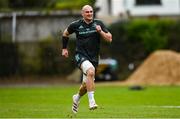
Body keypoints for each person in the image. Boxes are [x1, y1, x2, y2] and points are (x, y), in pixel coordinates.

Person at [61, 5, 112, 114]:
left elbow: (109, 38)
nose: (90, 14)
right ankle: (92, 102)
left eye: (91, 12)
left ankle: (77, 97)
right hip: (80, 55)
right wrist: (64, 48)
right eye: (87, 12)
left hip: (94, 58)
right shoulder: (75, 25)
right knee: (90, 71)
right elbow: (65, 33)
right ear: (82, 13)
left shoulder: (99, 24)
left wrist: (100, 32)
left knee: (86, 84)